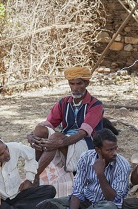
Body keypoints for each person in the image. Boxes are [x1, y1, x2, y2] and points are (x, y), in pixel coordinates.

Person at [28, 66, 105, 196]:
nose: (75, 87)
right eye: (72, 83)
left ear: (87, 83)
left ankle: (34, 177)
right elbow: (48, 123)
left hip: (88, 143)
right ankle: (37, 170)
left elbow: (82, 133)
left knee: (56, 137)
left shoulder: (95, 105)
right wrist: (31, 135)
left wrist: (60, 143)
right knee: (40, 131)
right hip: (64, 139)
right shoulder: (64, 102)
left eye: (79, 83)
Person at [50, 129, 130, 209]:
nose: (114, 153)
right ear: (98, 150)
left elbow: (113, 199)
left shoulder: (123, 165)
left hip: (105, 206)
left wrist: (100, 174)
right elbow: (77, 190)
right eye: (109, 150)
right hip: (86, 201)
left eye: (115, 148)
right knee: (49, 204)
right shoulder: (86, 157)